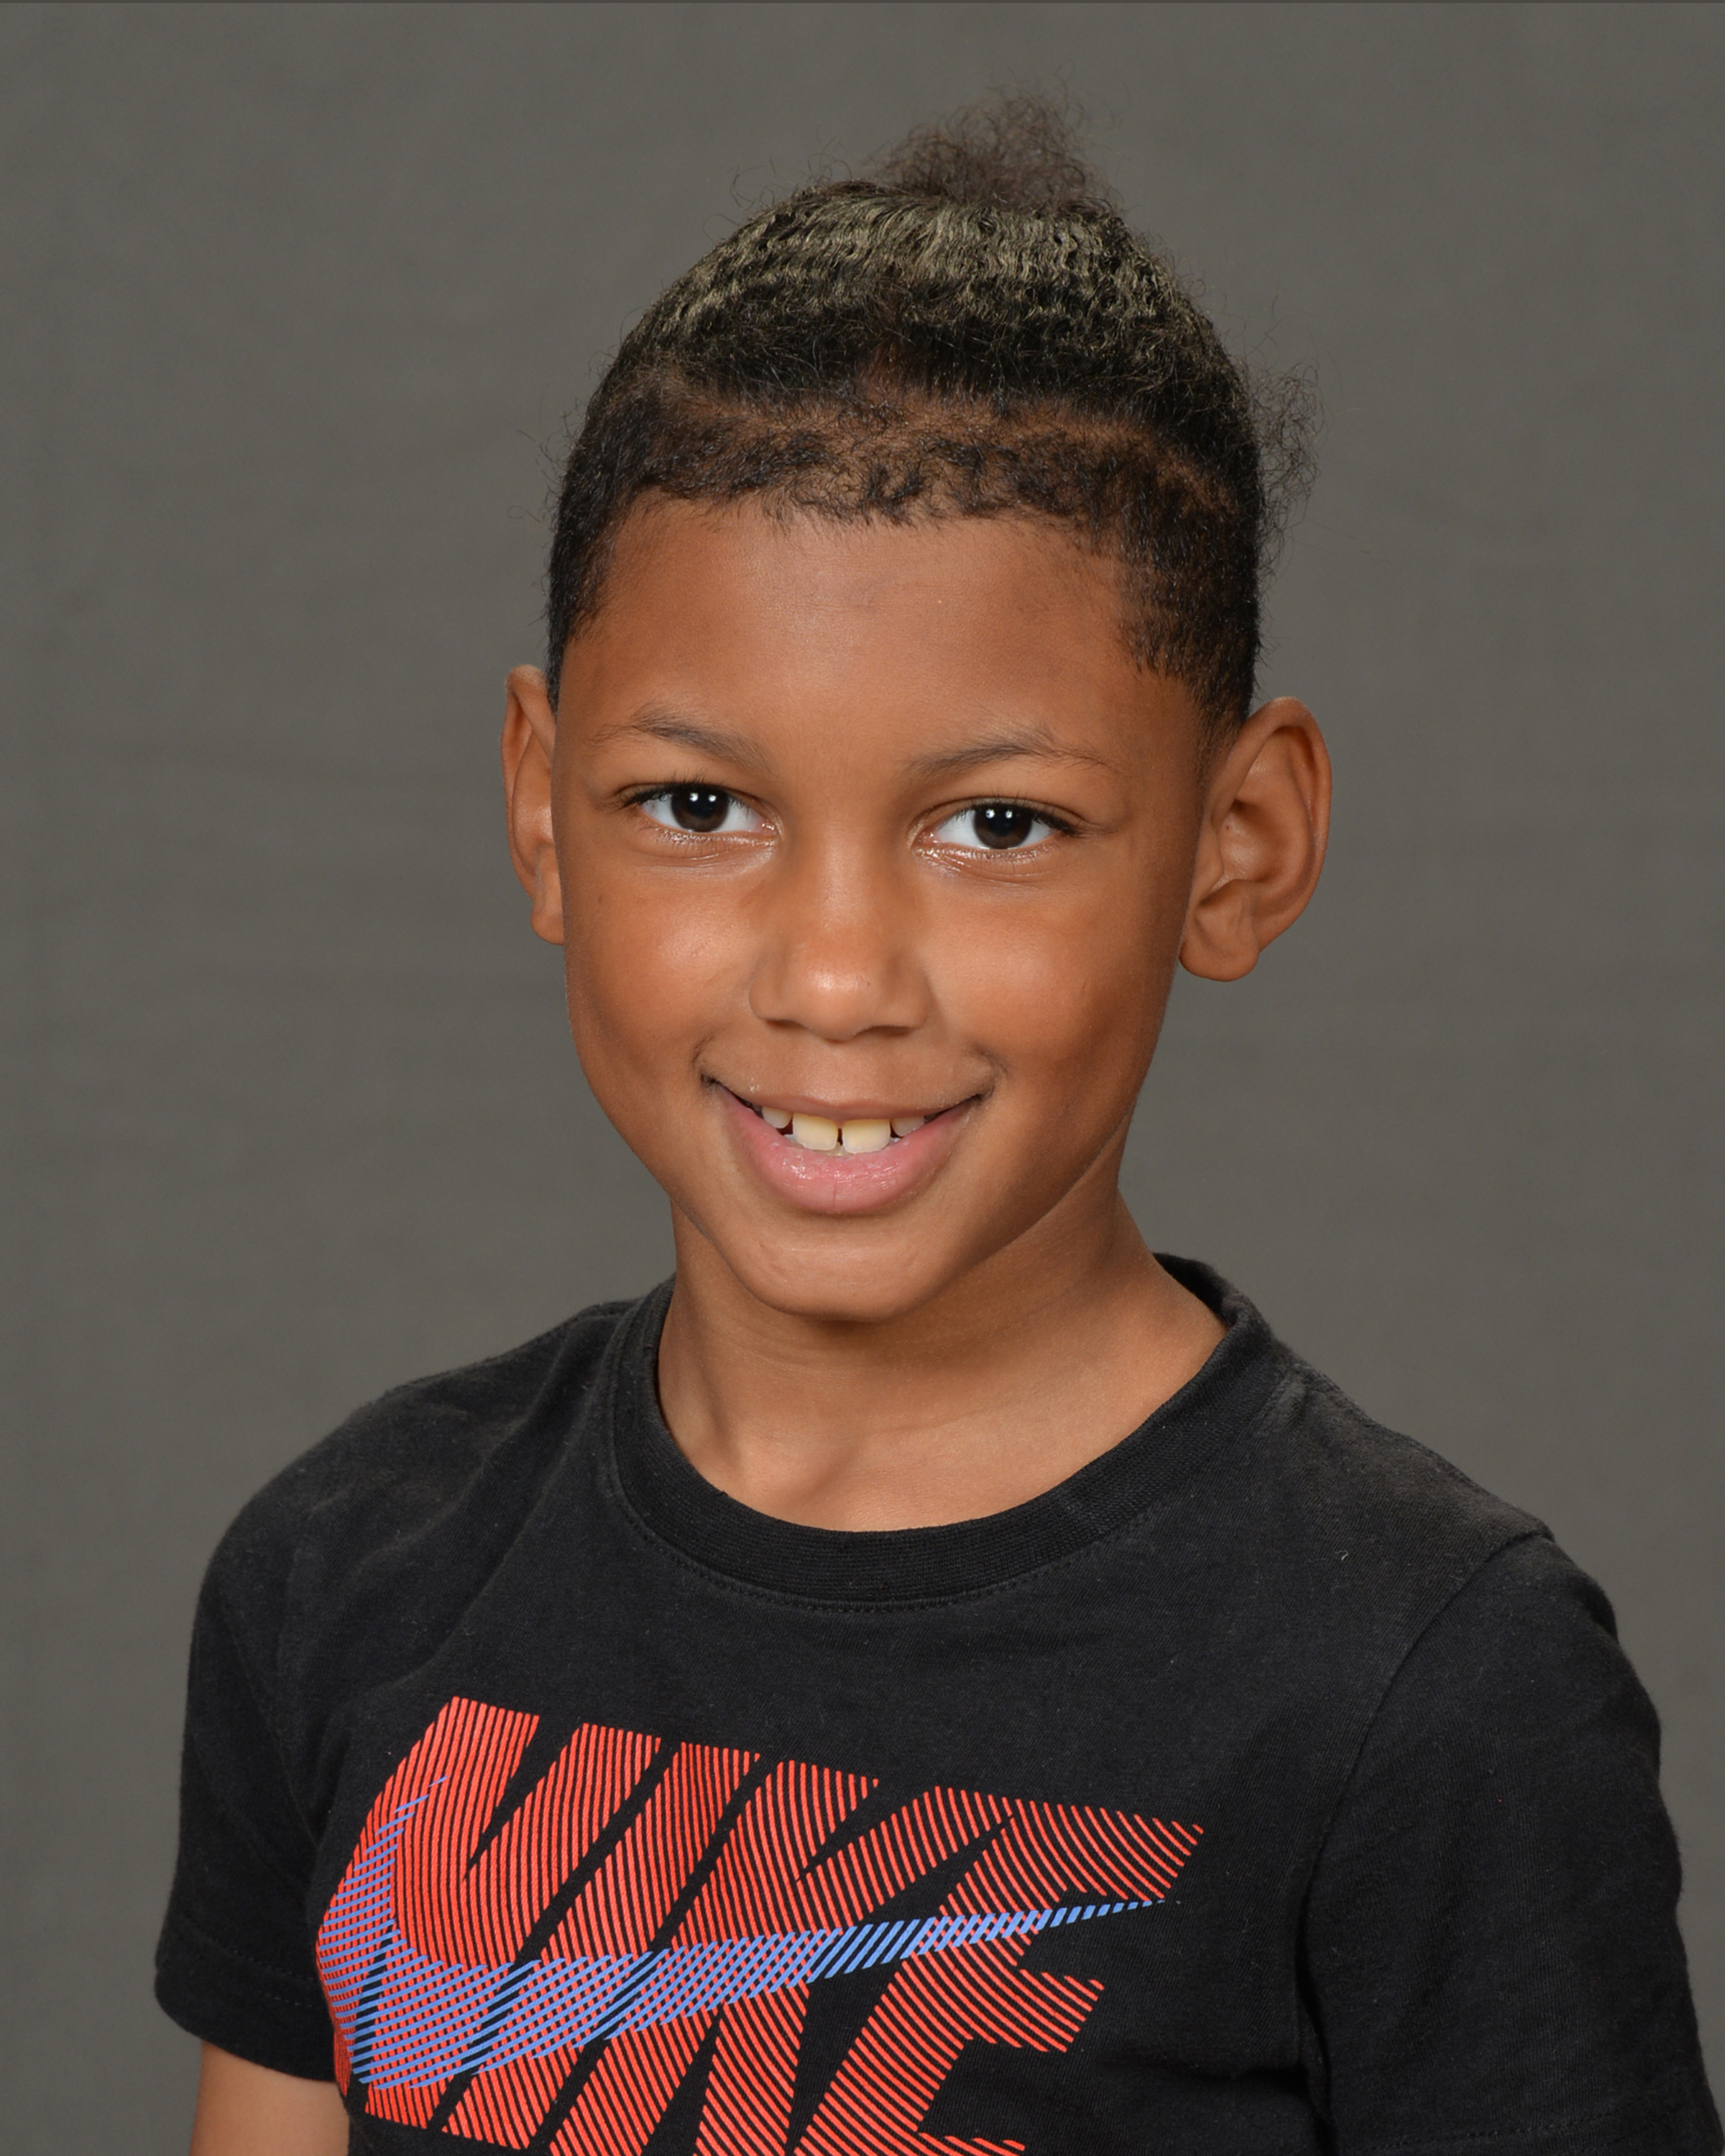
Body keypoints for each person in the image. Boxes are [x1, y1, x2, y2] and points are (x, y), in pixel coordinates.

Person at [157, 98, 1719, 2156]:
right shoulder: (349, 1576)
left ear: (1240, 844)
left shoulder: (1429, 1687)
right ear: (539, 806)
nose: (834, 978)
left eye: (998, 825)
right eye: (698, 806)